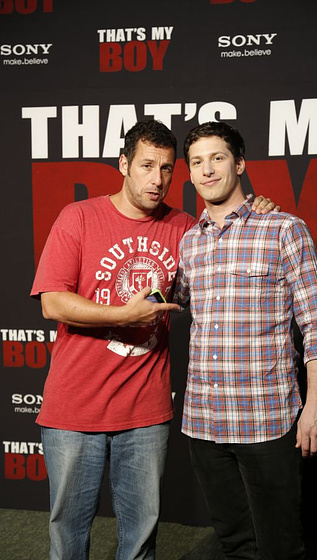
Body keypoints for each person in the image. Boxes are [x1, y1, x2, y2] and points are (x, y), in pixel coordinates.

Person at [30, 119, 277, 560]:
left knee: (141, 537)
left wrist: (259, 210)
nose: (157, 180)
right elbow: (53, 303)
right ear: (124, 164)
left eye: (166, 169)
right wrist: (125, 314)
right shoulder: (80, 217)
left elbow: (227, 231)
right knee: (68, 533)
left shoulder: (183, 226)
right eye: (146, 166)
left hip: (146, 411)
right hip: (74, 408)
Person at [175, 121, 317, 560]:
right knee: (234, 543)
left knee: (280, 545)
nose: (207, 170)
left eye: (218, 158)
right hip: (203, 421)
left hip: (265, 419)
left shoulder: (284, 229)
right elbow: (171, 302)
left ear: (240, 163)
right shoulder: (188, 242)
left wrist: (316, 404)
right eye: (197, 162)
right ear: (188, 173)